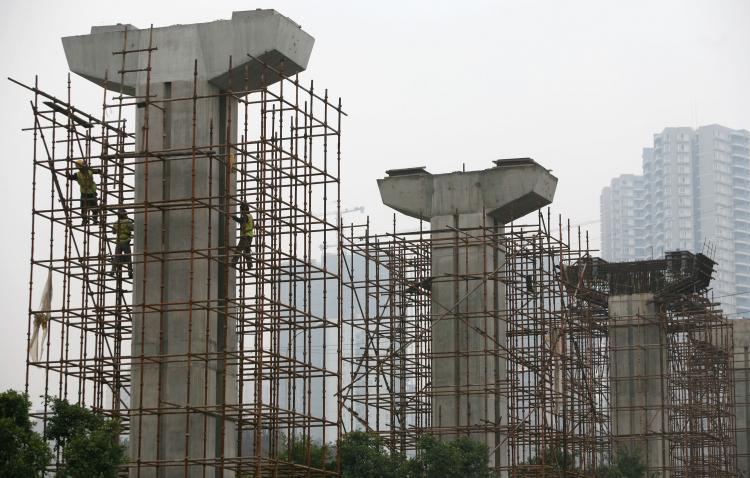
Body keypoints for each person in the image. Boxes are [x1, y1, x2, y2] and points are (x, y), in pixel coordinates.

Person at [66, 159, 102, 225]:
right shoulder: (79, 174)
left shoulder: (88, 171)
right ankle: (86, 220)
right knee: (85, 208)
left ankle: (93, 220)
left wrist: (100, 171)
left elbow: (97, 171)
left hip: (90, 192)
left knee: (92, 208)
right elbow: (71, 177)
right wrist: (67, 174)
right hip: (86, 193)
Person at [109, 209, 134, 279]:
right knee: (128, 257)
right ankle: (130, 273)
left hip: (118, 242)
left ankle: (112, 271)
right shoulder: (127, 222)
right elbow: (134, 228)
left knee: (117, 257)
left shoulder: (116, 223)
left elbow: (113, 232)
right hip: (125, 241)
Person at [232, 201, 254, 269]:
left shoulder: (246, 216)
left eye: (241, 210)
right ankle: (250, 265)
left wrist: (235, 218)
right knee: (247, 251)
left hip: (245, 236)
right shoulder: (250, 216)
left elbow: (242, 220)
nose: (240, 211)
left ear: (243, 209)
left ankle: (233, 263)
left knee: (238, 250)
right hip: (249, 236)